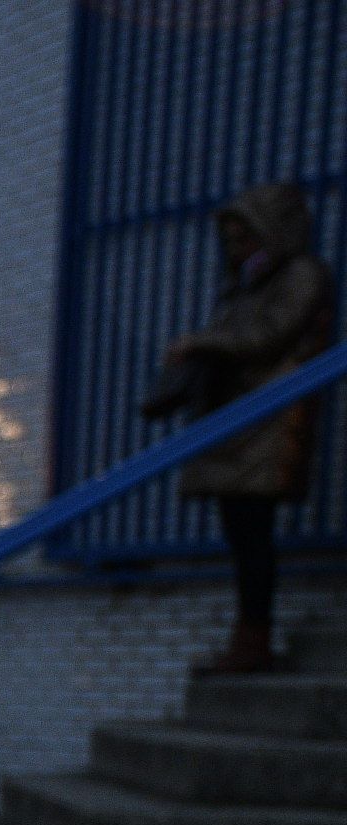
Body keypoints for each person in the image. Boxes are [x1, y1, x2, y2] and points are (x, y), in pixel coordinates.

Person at [160, 180, 336, 676]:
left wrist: (203, 343)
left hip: (269, 421)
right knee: (241, 536)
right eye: (232, 240)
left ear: (272, 231)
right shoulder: (242, 286)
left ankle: (253, 641)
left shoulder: (301, 274)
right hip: (235, 422)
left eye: (247, 238)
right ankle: (247, 637)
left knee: (254, 536)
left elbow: (269, 335)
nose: (238, 249)